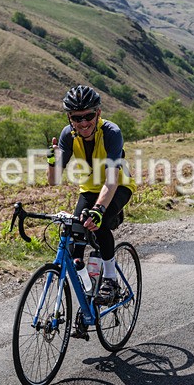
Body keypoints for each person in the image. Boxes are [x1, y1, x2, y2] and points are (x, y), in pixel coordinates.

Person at [47, 85, 136, 307]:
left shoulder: (111, 133)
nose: (84, 122)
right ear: (70, 118)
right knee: (74, 245)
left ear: (97, 113)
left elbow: (112, 180)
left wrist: (99, 210)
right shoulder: (68, 135)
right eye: (77, 118)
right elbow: (54, 180)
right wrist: (52, 161)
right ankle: (88, 291)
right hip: (89, 189)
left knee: (99, 223)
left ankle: (111, 280)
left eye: (88, 115)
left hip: (118, 186)